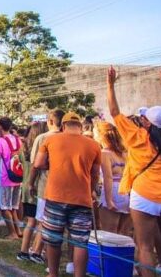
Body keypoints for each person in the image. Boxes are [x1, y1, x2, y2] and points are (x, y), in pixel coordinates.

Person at [107, 67, 161, 277]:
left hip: (144, 196)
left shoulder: (138, 137)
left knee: (145, 246)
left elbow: (114, 112)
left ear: (146, 122)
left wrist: (111, 85)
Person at [33, 111, 101, 277]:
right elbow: (95, 174)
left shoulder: (51, 140)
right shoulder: (94, 145)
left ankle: (53, 274)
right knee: (80, 242)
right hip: (82, 199)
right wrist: (89, 190)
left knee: (53, 238)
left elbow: (38, 163)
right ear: (79, 126)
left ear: (63, 126)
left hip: (56, 196)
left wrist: (54, 164)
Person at [25, 109, 64, 264]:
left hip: (45, 185)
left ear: (50, 121)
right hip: (63, 187)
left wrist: (30, 183)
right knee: (57, 224)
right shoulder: (69, 138)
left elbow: (35, 164)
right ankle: (42, 253)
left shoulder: (42, 138)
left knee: (43, 220)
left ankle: (36, 251)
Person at [95, 121, 132, 236]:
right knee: (123, 233)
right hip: (127, 192)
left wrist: (109, 200)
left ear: (101, 136)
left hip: (113, 192)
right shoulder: (125, 153)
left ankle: (108, 255)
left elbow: (108, 177)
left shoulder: (105, 153)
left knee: (109, 233)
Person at [17, 122, 45, 263]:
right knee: (41, 222)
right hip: (36, 187)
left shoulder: (24, 149)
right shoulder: (41, 150)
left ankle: (23, 250)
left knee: (30, 221)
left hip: (26, 188)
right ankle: (36, 251)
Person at [0, 117, 23, 239]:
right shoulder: (17, 139)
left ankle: (12, 233)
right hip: (17, 175)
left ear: (0, 126)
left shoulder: (0, 141)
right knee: (14, 207)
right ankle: (18, 230)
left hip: (6, 177)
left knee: (4, 207)